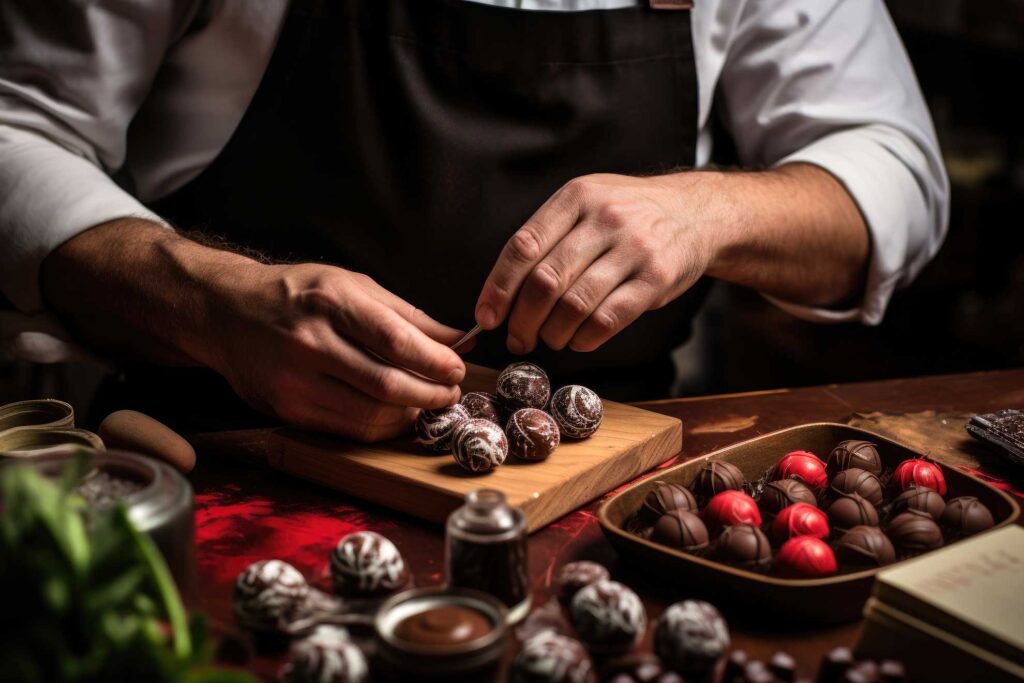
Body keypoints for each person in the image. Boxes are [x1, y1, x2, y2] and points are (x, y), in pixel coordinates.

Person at [0, 0, 948, 439]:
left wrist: (710, 209)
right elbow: (17, 127)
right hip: (220, 464)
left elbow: (896, 171)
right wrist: (210, 301)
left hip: (603, 492)